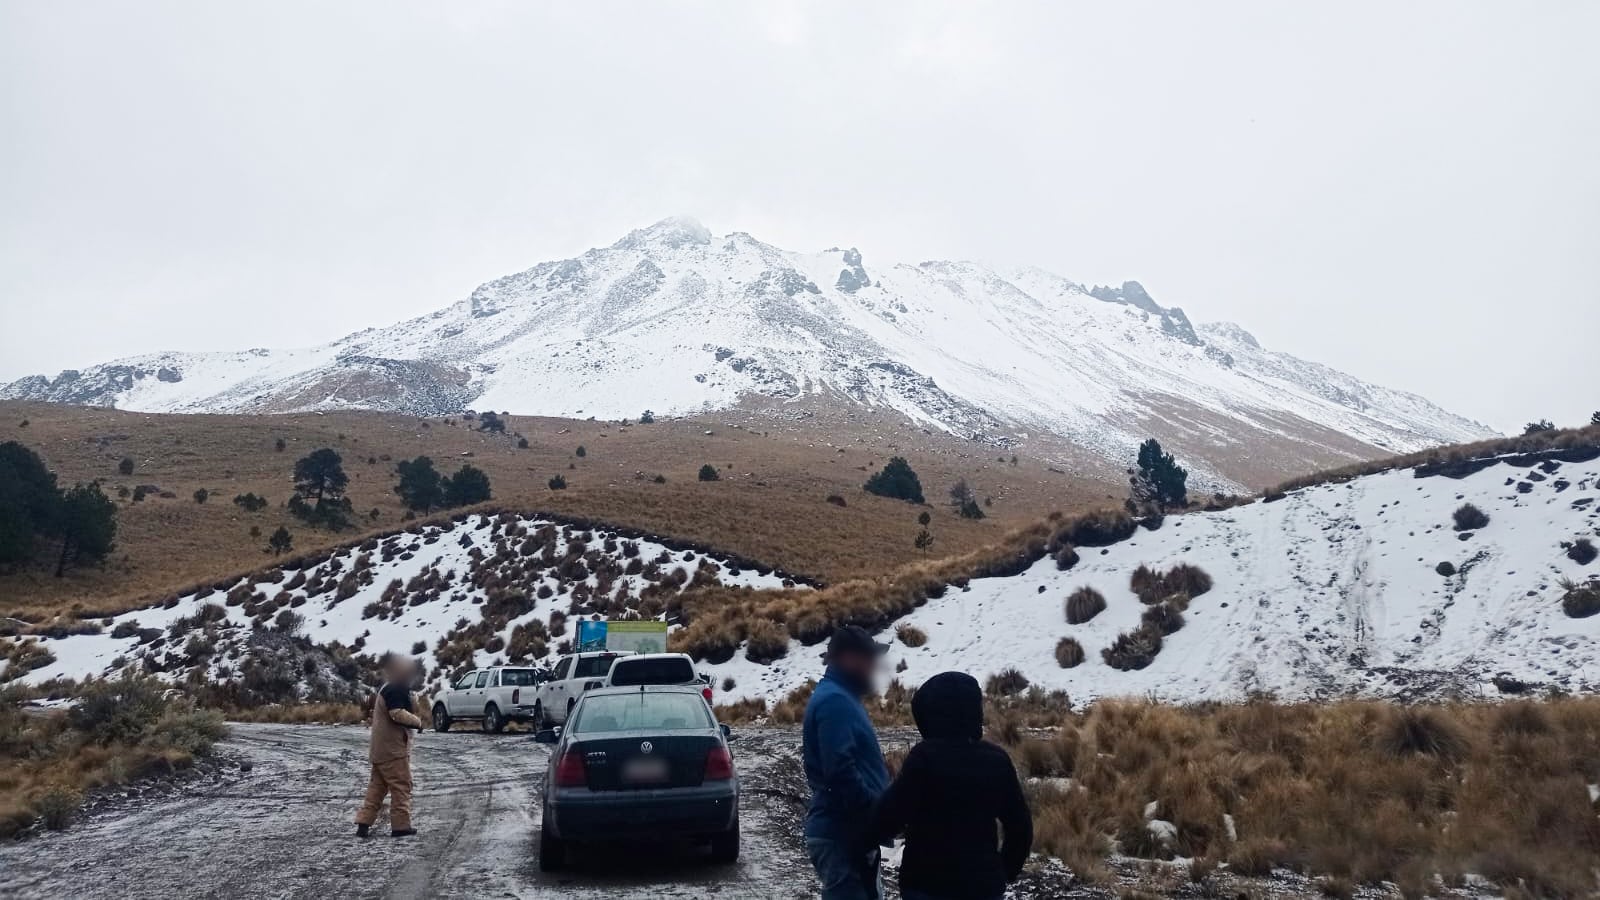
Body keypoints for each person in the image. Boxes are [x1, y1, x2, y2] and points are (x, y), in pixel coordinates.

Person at [865, 671, 1033, 900]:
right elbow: (1020, 826)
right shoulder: (997, 760)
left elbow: (890, 815)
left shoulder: (924, 758)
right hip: (982, 886)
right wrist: (1004, 871)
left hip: (927, 884)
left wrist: (867, 836)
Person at [802, 624, 891, 899]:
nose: (874, 665)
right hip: (843, 833)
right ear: (848, 658)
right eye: (868, 658)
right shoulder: (835, 702)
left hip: (845, 831)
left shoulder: (840, 697)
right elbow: (839, 771)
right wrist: (872, 812)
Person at [354, 654, 424, 838]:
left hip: (379, 750)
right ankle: (401, 826)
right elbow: (397, 713)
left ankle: (364, 822)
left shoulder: (387, 688)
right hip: (392, 751)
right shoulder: (396, 689)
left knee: (376, 788)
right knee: (402, 785)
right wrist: (417, 722)